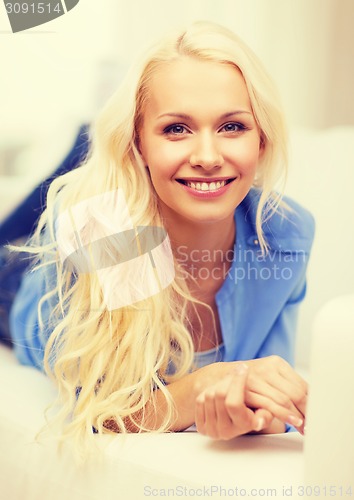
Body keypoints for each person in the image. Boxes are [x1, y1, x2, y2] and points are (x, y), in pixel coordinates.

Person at [6, 21, 314, 455]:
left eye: (232, 127)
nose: (208, 157)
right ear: (139, 144)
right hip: (21, 283)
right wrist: (205, 385)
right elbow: (106, 409)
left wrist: (255, 410)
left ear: (261, 140)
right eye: (176, 129)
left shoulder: (284, 233)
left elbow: (268, 397)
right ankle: (84, 143)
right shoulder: (110, 225)